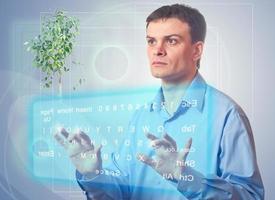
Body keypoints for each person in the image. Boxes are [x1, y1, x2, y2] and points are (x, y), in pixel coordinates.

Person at [54, 4, 264, 200]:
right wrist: (93, 175)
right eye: (151, 41)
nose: (158, 50)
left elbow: (250, 196)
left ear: (196, 50)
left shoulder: (226, 116)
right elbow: (122, 190)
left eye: (171, 40)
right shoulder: (141, 117)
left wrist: (186, 177)